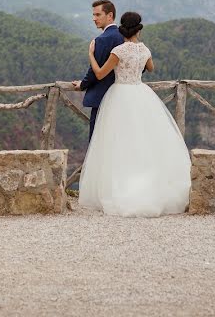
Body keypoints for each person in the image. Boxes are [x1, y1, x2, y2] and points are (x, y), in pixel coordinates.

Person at [78, 11, 191, 217]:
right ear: (139, 29)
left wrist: (91, 56)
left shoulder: (118, 50)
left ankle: (120, 187)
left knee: (117, 143)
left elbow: (101, 73)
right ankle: (148, 186)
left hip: (120, 95)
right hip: (141, 94)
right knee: (143, 141)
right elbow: (151, 67)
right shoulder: (144, 49)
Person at [73, 0, 124, 140]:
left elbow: (95, 71)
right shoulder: (124, 36)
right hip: (124, 98)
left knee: (98, 140)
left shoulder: (102, 39)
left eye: (98, 14)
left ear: (110, 15)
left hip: (102, 98)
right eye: (93, 15)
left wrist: (82, 84)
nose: (94, 18)